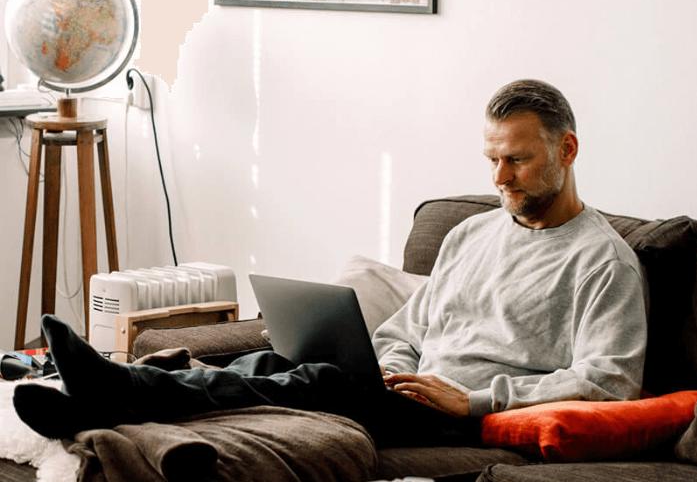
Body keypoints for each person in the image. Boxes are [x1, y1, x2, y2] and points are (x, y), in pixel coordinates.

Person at [13, 80, 647, 447]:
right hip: (409, 397)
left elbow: (612, 383)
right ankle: (93, 404)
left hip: (467, 423)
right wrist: (394, 371)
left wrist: (474, 399)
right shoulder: (472, 233)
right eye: (492, 159)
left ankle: (117, 388)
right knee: (270, 362)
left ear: (567, 148)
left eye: (518, 159)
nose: (500, 177)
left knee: (318, 384)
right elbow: (404, 331)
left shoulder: (603, 262)